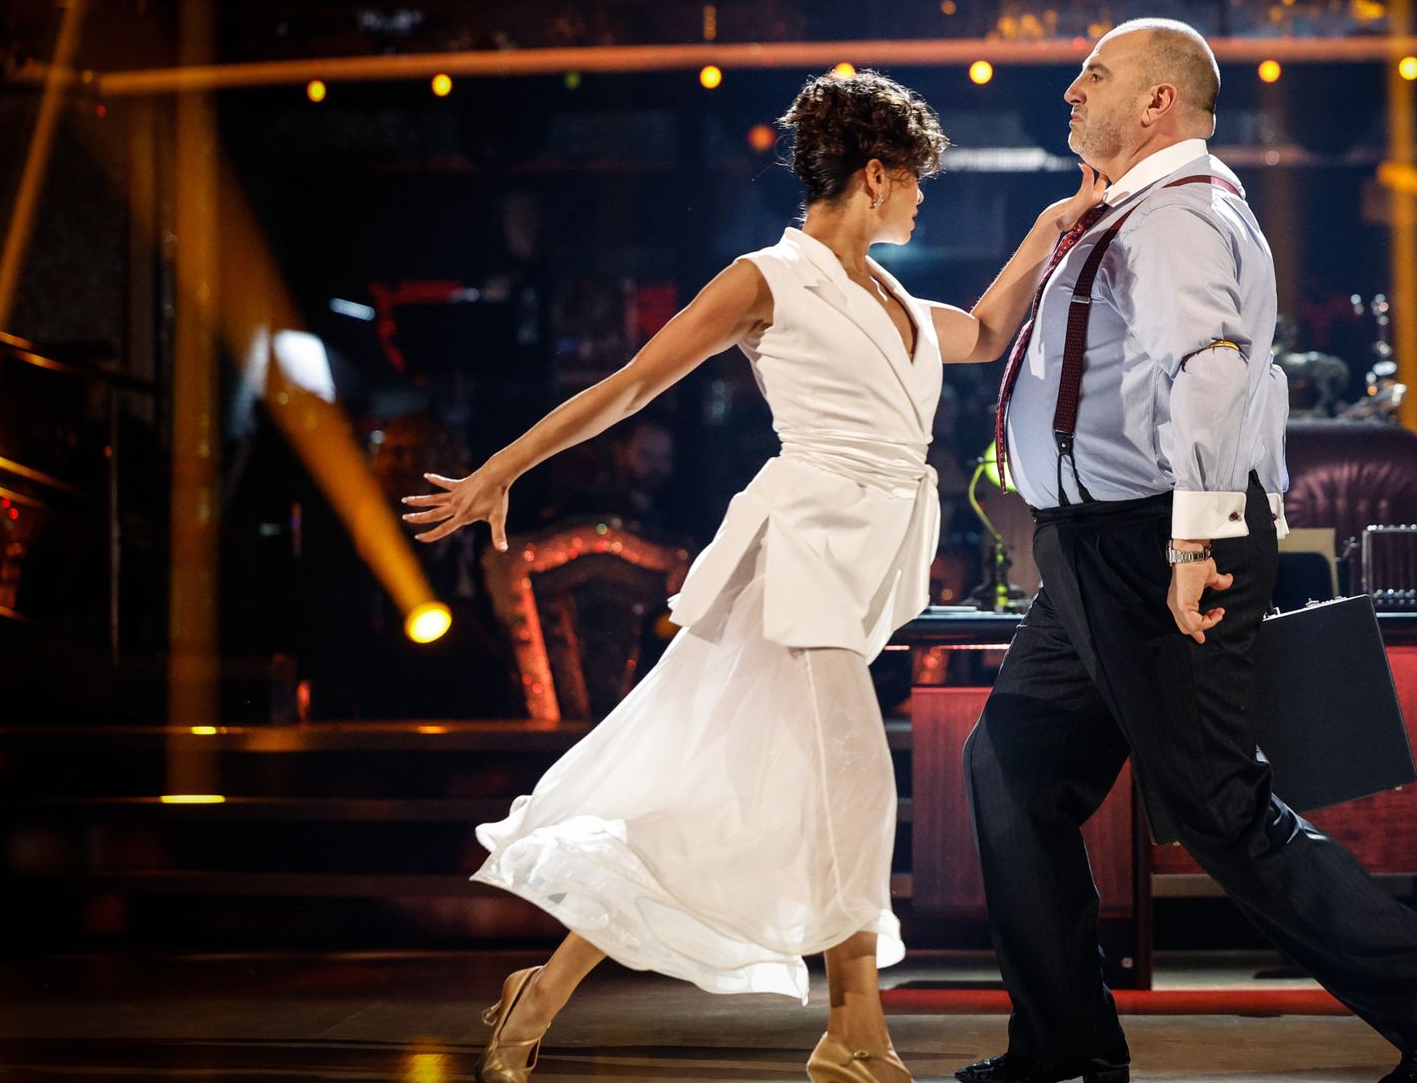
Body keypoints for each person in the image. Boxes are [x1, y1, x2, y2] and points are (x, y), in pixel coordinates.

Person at [399, 69, 1106, 1083]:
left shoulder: (894, 295)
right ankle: (854, 1030)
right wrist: (499, 469)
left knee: (714, 803)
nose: (920, 199)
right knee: (856, 774)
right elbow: (629, 383)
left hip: (863, 561)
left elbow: (987, 334)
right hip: (800, 550)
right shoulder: (765, 279)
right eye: (915, 183)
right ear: (874, 175)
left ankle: (540, 989)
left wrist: (1052, 222)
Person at [954, 19, 1417, 1083]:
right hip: (1092, 549)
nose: (1072, 90)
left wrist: (1194, 541)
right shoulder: (1117, 215)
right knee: (1013, 768)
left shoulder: (1174, 219)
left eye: (1096, 75)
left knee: (1215, 805)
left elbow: (1206, 375)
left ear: (1158, 101)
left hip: (1157, 536)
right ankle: (1065, 1047)